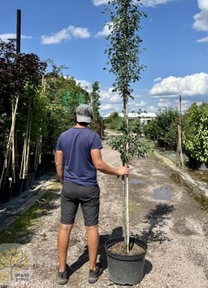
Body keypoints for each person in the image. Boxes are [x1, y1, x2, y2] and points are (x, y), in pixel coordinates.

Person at [55, 104, 130, 285]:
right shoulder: (92, 137)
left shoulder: (63, 136)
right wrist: (118, 171)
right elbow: (99, 164)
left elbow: (58, 164)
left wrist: (63, 181)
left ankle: (62, 271)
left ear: (76, 116)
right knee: (91, 227)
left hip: (69, 188)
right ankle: (92, 269)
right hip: (89, 188)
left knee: (65, 227)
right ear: (90, 118)